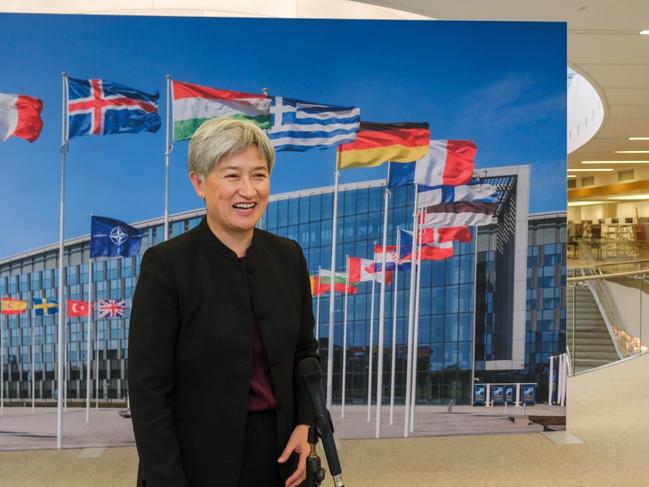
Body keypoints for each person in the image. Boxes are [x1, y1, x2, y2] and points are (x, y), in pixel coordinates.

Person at [128, 117, 319, 487]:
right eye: (232, 175)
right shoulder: (166, 266)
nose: (247, 190)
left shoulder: (288, 257)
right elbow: (148, 391)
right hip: (195, 463)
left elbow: (304, 352)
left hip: (281, 459)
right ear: (198, 182)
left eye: (259, 175)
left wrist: (305, 425)